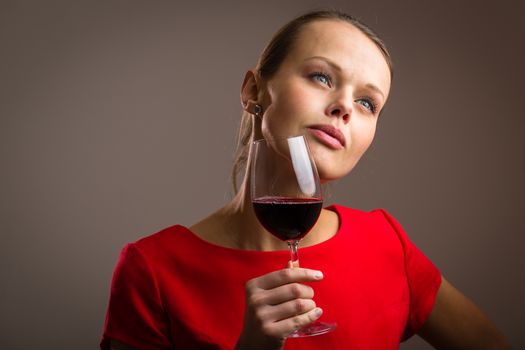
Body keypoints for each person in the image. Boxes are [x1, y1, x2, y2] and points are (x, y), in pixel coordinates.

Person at [101, 10, 510, 350]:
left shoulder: (387, 244)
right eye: (321, 77)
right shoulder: (151, 270)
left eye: (367, 102)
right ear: (253, 91)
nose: (344, 107)